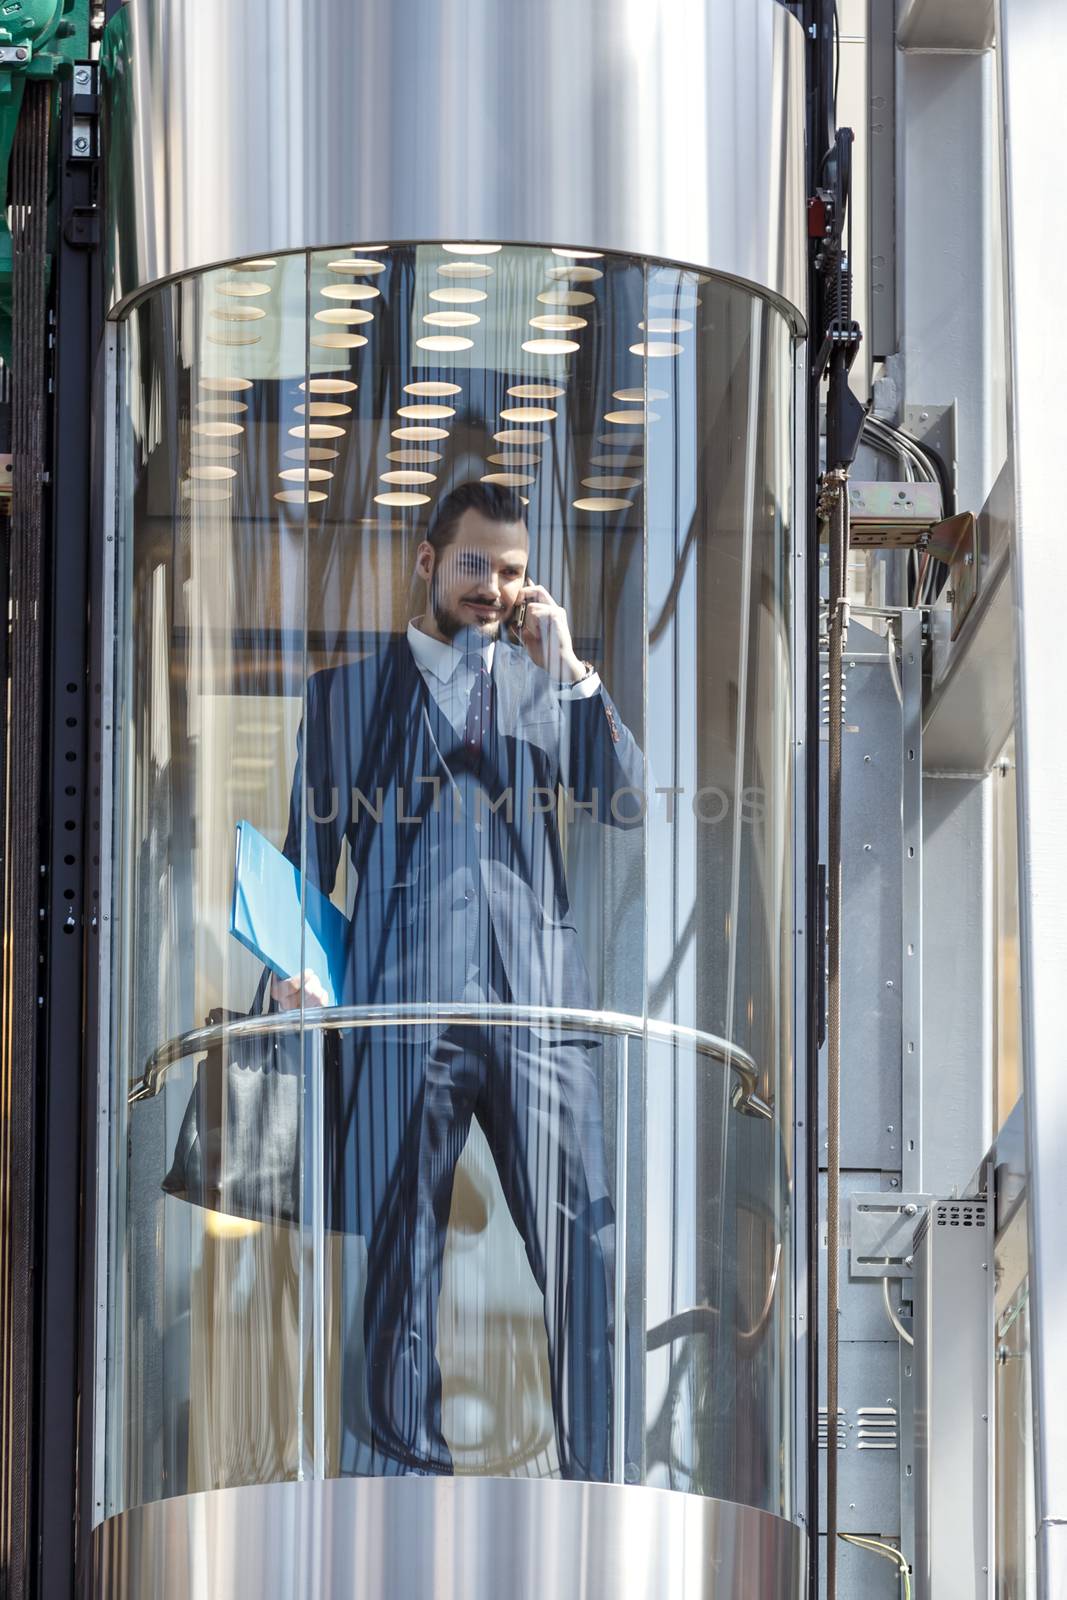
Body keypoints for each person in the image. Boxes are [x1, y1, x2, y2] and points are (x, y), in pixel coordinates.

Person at [274, 480, 642, 1480]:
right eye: (475, 562)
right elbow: (306, 865)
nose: (492, 586)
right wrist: (295, 971)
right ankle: (402, 1480)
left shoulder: (542, 690)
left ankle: (599, 1480)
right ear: (427, 560)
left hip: (536, 1020)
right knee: (400, 1267)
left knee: (588, 1257)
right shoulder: (343, 697)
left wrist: (565, 665)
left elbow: (625, 799)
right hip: (405, 1014)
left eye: (511, 570)